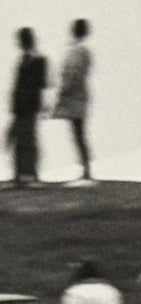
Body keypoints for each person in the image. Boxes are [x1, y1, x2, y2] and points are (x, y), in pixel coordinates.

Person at [53, 19, 95, 185]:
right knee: (79, 134)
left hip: (75, 97)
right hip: (80, 96)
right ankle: (86, 170)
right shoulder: (84, 51)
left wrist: (63, 92)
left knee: (78, 134)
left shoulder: (76, 51)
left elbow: (71, 73)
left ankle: (86, 171)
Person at [7, 28, 47, 187]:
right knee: (19, 141)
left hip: (29, 107)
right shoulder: (26, 59)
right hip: (21, 107)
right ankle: (20, 175)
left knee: (29, 141)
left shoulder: (37, 60)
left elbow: (40, 85)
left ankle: (31, 175)